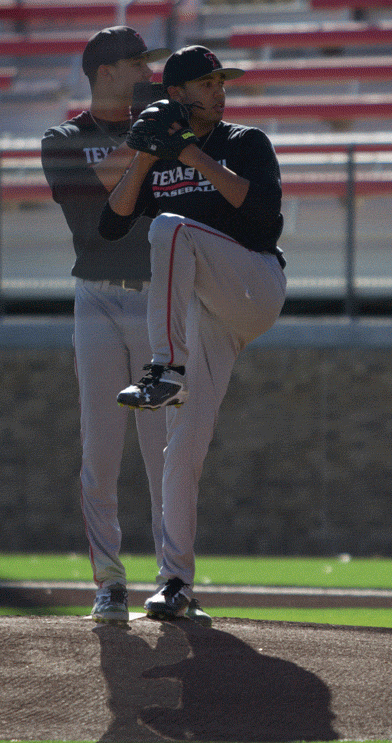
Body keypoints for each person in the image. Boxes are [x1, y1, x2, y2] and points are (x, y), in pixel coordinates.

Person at [100, 45, 288, 620]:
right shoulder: (159, 154)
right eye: (205, 83)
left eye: (219, 81)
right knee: (181, 446)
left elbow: (263, 217)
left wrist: (188, 154)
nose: (218, 90)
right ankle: (176, 581)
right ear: (177, 94)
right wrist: (142, 154)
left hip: (254, 285)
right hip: (205, 313)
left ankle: (163, 367)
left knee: (170, 230)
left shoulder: (244, 142)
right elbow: (111, 224)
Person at [40, 26, 170, 623]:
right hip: (96, 293)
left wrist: (158, 134)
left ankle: (173, 581)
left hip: (156, 297)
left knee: (162, 449)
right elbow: (104, 214)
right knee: (101, 447)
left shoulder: (160, 124)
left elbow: (169, 200)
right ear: (105, 71)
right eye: (136, 61)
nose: (146, 70)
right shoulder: (64, 139)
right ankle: (110, 584)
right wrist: (151, 139)